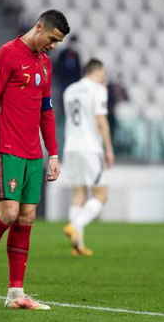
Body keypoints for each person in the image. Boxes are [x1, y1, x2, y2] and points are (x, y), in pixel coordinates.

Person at [0, 9, 69, 310]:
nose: (53, 46)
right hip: (6, 147)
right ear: (39, 27)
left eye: (58, 42)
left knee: (26, 218)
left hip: (34, 152)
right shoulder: (6, 55)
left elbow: (46, 111)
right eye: (52, 39)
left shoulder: (45, 65)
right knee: (7, 214)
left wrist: (54, 152)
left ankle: (15, 293)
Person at [62, 59, 114, 256]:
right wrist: (108, 148)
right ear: (98, 71)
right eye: (103, 73)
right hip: (90, 147)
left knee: (79, 194)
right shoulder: (98, 89)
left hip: (71, 147)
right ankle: (76, 225)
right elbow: (101, 119)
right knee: (101, 195)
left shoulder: (70, 90)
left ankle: (78, 244)